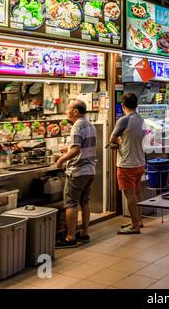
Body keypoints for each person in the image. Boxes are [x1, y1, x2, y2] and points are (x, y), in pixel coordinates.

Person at [55, 100, 97, 248]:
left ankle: (70, 237)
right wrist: (68, 150)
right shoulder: (90, 125)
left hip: (78, 171)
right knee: (84, 202)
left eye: (68, 109)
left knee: (71, 203)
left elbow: (76, 150)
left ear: (75, 112)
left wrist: (61, 159)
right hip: (90, 170)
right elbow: (81, 147)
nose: (67, 111)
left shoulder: (77, 126)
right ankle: (84, 233)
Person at [109, 93, 146, 235]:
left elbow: (112, 138)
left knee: (130, 195)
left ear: (123, 105)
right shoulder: (140, 119)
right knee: (137, 192)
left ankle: (135, 225)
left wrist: (119, 142)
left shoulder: (124, 120)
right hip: (139, 162)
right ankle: (139, 220)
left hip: (127, 164)